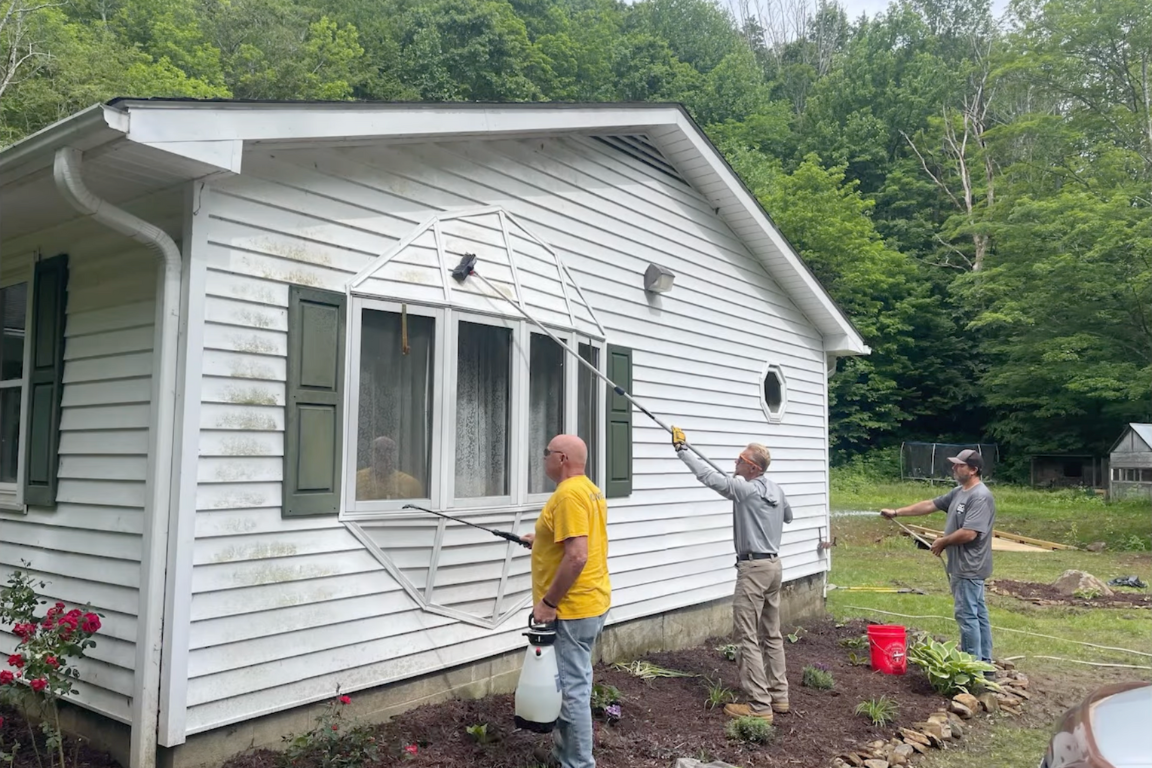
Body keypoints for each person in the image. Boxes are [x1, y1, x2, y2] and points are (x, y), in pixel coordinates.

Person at [670, 426, 792, 723]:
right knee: (771, 634)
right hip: (774, 566)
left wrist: (682, 450)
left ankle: (759, 706)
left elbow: (709, 478)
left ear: (752, 468)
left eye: (739, 460)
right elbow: (787, 516)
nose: (734, 463)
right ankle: (779, 696)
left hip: (752, 569)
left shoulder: (745, 488)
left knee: (746, 636)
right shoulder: (774, 489)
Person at [522, 434, 611, 768]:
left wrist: (548, 602)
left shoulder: (569, 494)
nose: (542, 458)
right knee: (571, 682)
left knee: (571, 688)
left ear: (560, 459)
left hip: (572, 608)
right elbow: (572, 541)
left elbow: (576, 557)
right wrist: (542, 540)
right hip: (591, 600)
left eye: (546, 453)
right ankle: (564, 755)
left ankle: (577, 763)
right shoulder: (588, 489)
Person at [880, 448, 996, 667]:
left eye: (959, 465)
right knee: (977, 614)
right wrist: (896, 512)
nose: (954, 467)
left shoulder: (980, 496)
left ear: (973, 470)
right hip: (963, 566)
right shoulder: (959, 492)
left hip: (969, 566)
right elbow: (929, 505)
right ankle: (984, 663)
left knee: (967, 616)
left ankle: (971, 666)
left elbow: (970, 532)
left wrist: (943, 541)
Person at [355, 436, 424, 500]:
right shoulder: (356, 479)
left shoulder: (411, 484)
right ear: (370, 454)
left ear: (396, 455)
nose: (382, 455)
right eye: (377, 451)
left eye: (388, 451)